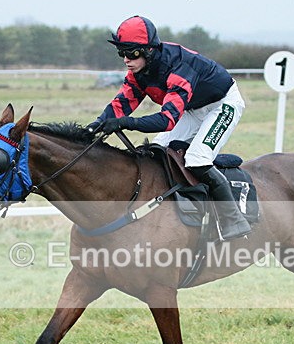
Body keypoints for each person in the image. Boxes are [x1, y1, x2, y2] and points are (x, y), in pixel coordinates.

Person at [86, 15, 250, 240]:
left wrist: (126, 123)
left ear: (149, 51)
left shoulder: (179, 68)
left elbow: (167, 120)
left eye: (132, 53)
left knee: (197, 158)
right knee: (157, 151)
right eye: (121, 53)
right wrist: (94, 127)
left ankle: (233, 220)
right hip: (193, 108)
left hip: (222, 104)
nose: (126, 59)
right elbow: (121, 104)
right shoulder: (138, 72)